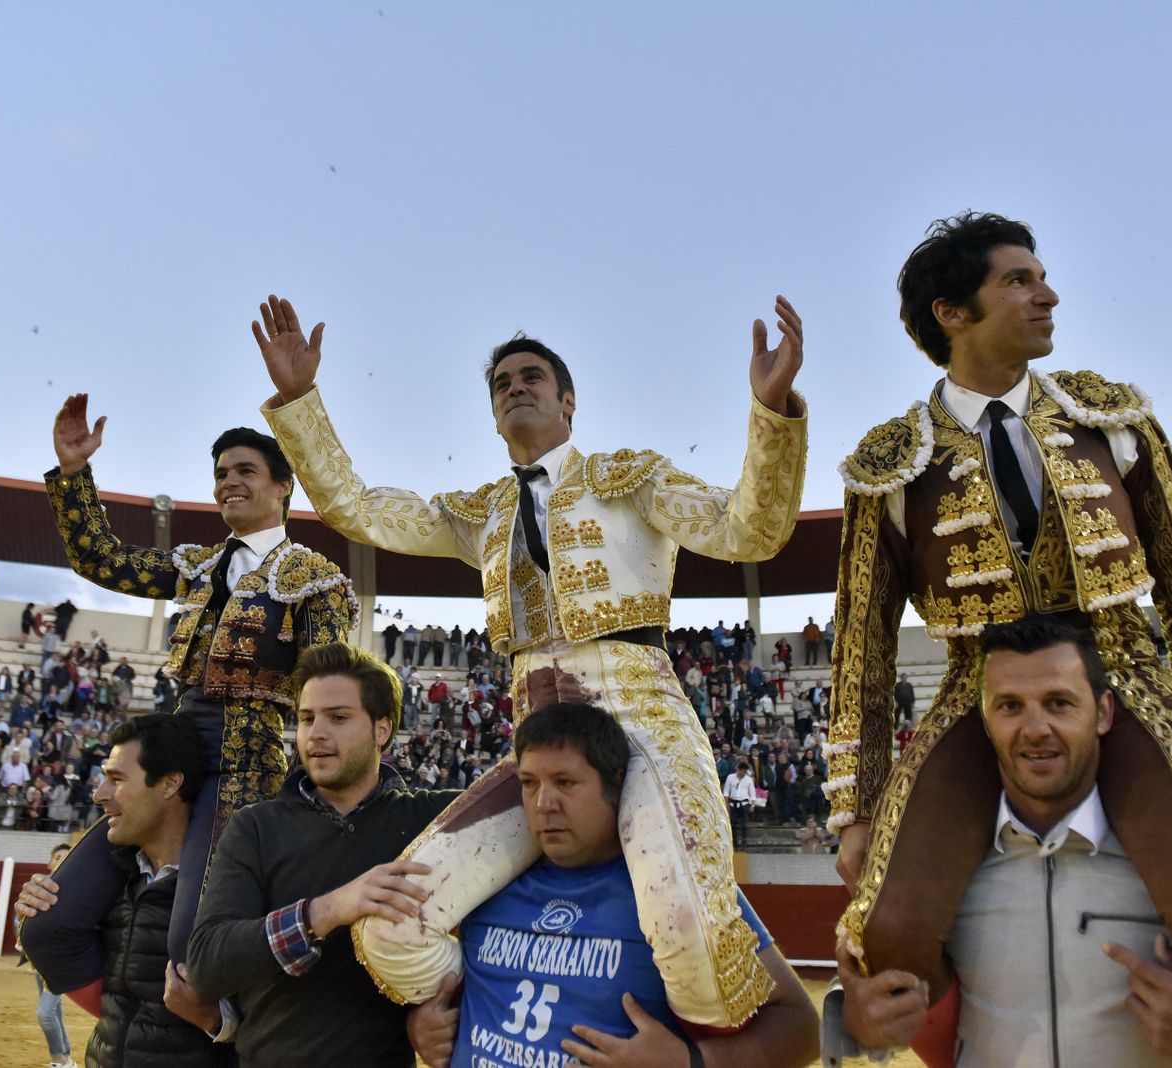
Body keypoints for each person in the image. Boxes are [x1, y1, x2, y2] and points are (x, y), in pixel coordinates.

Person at [824, 211, 1172, 1025]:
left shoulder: (1113, 417)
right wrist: (856, 808)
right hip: (977, 688)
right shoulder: (891, 462)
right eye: (1017, 280)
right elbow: (862, 649)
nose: (1047, 294)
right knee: (888, 932)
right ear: (952, 313)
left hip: (1123, 671)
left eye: (1040, 275)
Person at [258, 290, 808, 1027]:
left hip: (640, 717)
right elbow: (357, 509)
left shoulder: (630, 478)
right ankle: (508, 1015)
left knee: (694, 943)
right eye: (502, 384)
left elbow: (752, 530)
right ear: (492, 414)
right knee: (391, 931)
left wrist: (772, 414)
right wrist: (301, 399)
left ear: (568, 401)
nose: (515, 388)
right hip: (537, 736)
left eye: (531, 378)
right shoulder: (479, 511)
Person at [831, 616, 1172, 1065]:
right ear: (984, 722)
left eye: (1059, 703)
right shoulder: (944, 863)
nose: (1035, 729)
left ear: (1106, 712)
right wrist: (853, 1024)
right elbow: (870, 998)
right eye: (1010, 706)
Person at [22, 396, 354, 996]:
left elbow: (326, 685)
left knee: (192, 942)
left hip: (246, 759)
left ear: (284, 487)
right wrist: (74, 475)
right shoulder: (197, 566)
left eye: (245, 471)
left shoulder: (315, 577)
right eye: (221, 473)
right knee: (50, 924)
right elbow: (101, 559)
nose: (228, 482)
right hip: (171, 746)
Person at [408, 701, 820, 1068]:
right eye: (529, 783)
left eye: (565, 782)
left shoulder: (676, 887)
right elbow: (456, 995)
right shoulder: (486, 882)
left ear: (616, 784)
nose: (542, 803)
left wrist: (691, 1061)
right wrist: (422, 1025)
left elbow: (802, 1027)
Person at [186, 642, 456, 1067]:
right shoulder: (255, 827)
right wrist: (324, 912)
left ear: (381, 730)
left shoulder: (433, 821)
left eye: (339, 718)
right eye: (307, 718)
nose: (316, 733)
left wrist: (446, 1007)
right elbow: (206, 964)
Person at [14, 713, 232, 1067]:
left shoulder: (229, 886)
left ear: (169, 784)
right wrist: (33, 905)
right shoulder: (114, 883)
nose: (99, 794)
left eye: (116, 779)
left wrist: (216, 1021)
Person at [26, 842, 76, 1068]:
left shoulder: (78, 891)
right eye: (58, 857)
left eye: (67, 857)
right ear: (49, 862)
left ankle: (60, 1059)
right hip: (41, 963)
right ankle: (64, 1057)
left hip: (61, 962)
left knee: (45, 1013)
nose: (61, 860)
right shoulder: (37, 890)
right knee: (53, 1011)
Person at [724, 760, 756, 849]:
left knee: (744, 824)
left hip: (744, 802)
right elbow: (726, 792)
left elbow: (752, 793)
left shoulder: (748, 779)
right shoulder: (730, 777)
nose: (744, 773)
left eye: (745, 772)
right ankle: (734, 843)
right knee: (733, 824)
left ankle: (743, 843)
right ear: (739, 770)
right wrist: (726, 805)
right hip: (733, 802)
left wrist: (752, 805)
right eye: (743, 771)